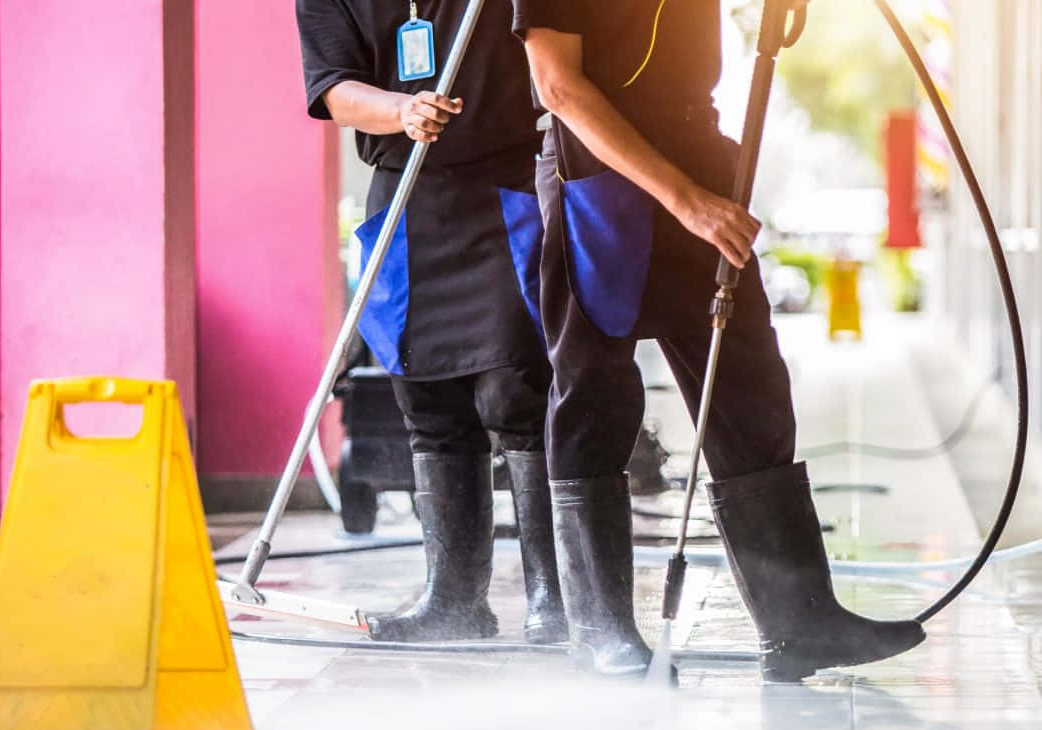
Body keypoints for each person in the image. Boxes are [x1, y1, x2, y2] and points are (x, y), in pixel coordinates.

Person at [512, 0, 927, 679]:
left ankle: (800, 622)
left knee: (749, 390)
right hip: (598, 175)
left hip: (698, 158)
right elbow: (557, 85)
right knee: (594, 397)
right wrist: (685, 200)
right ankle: (599, 630)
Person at [296, 0, 566, 644]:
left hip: (507, 190)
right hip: (405, 194)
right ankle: (454, 600)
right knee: (429, 400)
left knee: (517, 390)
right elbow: (332, 88)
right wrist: (401, 110)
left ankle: (555, 596)